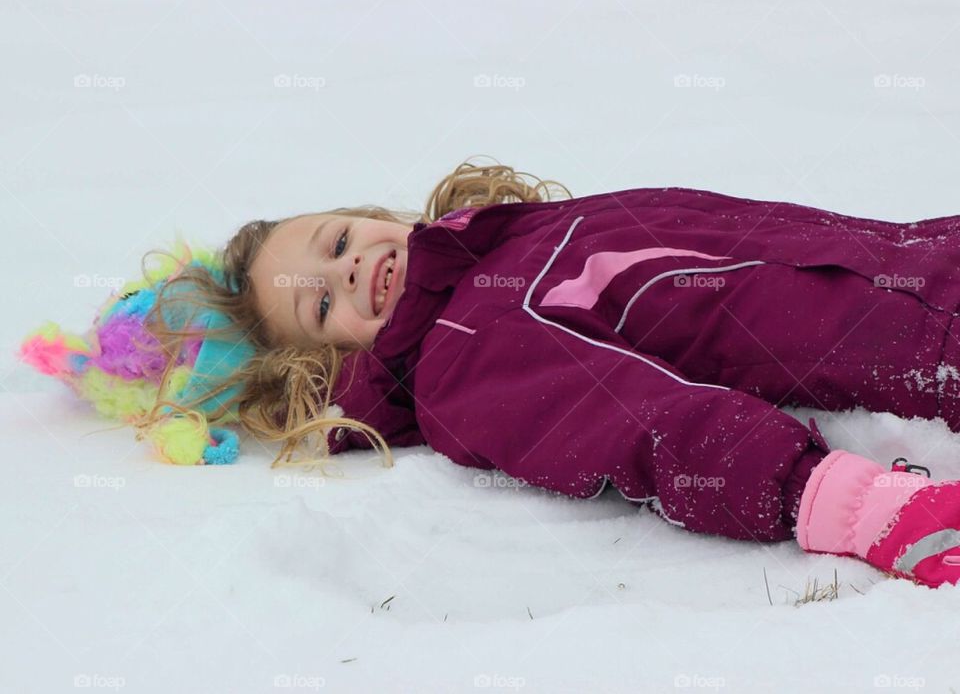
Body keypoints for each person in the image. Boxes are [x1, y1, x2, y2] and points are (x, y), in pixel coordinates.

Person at [143, 156, 960, 589]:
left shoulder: (505, 244)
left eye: (337, 240)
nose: (352, 268)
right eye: (320, 305)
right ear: (323, 368)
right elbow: (644, 423)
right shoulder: (462, 359)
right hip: (931, 348)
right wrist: (850, 506)